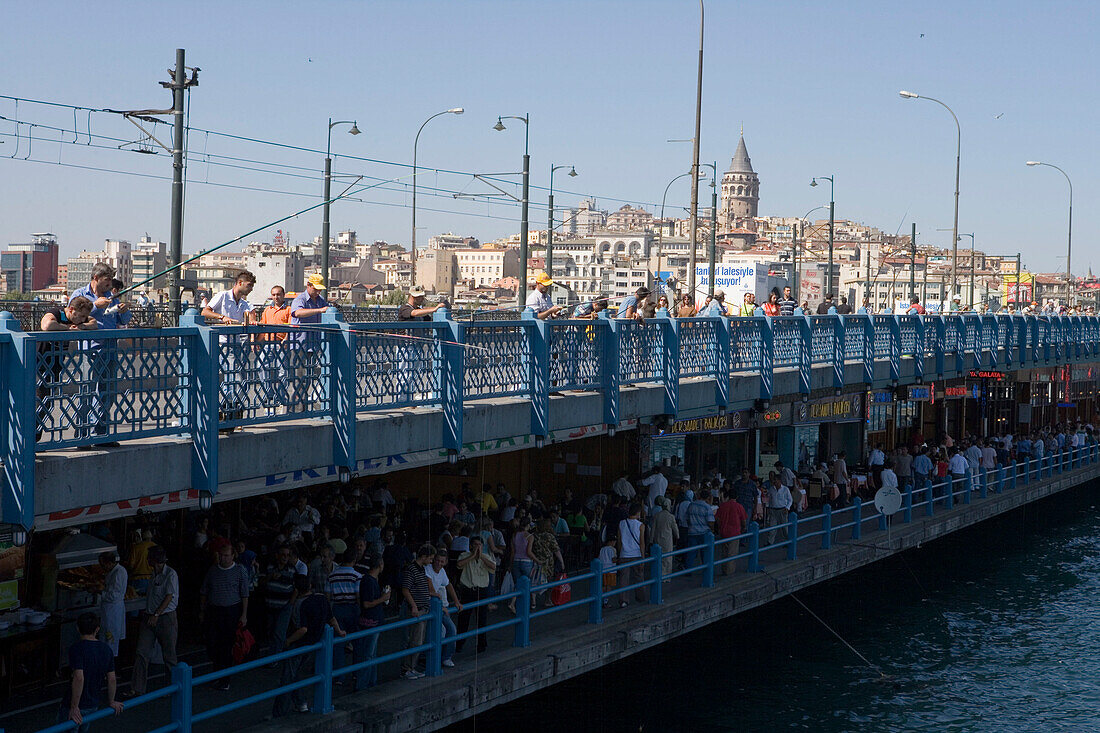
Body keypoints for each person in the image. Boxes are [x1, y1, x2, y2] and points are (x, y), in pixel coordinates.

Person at [69, 263, 131, 444]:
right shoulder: (80, 295)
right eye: (107, 279)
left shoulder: (111, 296)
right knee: (86, 392)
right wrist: (95, 306)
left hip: (109, 349)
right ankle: (82, 435)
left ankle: (101, 433)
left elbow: (123, 320)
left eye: (111, 279)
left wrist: (124, 311)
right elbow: (72, 316)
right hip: (90, 350)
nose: (110, 283)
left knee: (107, 392)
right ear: (96, 278)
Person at [273, 574, 345, 716]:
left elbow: (303, 629)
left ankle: (280, 712)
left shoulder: (300, 604)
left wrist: (289, 641)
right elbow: (332, 619)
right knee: (295, 673)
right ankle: (301, 703)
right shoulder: (322, 599)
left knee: (288, 676)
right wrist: (340, 631)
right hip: (315, 643)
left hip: (299, 644)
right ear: (310, 586)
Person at [36, 296, 98, 441]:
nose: (83, 319)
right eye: (81, 316)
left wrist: (83, 326)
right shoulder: (57, 313)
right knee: (38, 402)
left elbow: (94, 324)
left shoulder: (78, 320)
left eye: (84, 316)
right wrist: (68, 328)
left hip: (55, 366)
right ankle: (29, 439)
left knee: (46, 402)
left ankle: (35, 438)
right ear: (71, 309)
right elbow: (47, 325)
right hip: (39, 363)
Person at [126, 547, 178, 699]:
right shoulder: (154, 574)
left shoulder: (170, 574)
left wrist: (157, 613)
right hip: (150, 615)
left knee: (169, 655)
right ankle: (137, 688)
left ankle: (172, 687)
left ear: (153, 560)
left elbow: (169, 596)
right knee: (141, 652)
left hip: (165, 617)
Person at [60, 613, 124, 732]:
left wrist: (74, 707)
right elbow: (111, 679)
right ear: (97, 629)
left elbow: (79, 677)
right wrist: (112, 700)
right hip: (92, 703)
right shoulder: (106, 650)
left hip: (74, 703)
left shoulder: (76, 649)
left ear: (78, 628)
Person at [199, 543, 250, 690]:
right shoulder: (213, 571)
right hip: (214, 610)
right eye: (221, 555)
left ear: (233, 555)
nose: (223, 558)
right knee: (213, 643)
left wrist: (244, 614)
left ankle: (225, 679)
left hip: (231, 610)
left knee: (227, 645)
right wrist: (202, 610)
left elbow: (245, 593)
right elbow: (204, 591)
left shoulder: (240, 570)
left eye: (226, 555)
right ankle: (216, 674)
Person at [326, 548, 367, 690]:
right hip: (352, 609)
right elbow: (358, 595)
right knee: (358, 641)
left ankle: (338, 676)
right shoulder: (357, 576)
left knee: (338, 643)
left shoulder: (332, 575)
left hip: (337, 608)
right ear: (354, 560)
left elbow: (328, 596)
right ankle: (357, 673)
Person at [289, 274, 331, 404]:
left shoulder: (320, 300)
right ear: (308, 286)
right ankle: (296, 404)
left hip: (314, 343)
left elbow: (326, 311)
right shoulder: (300, 299)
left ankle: (301, 403)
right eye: (316, 289)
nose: (318, 292)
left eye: (320, 289)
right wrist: (319, 311)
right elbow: (297, 313)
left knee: (308, 376)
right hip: (300, 343)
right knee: (300, 376)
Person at [399, 544, 435, 680]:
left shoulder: (420, 569)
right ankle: (407, 669)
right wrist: (413, 606)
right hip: (417, 610)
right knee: (415, 641)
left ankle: (410, 667)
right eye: (430, 558)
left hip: (422, 608)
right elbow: (405, 589)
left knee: (417, 640)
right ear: (424, 557)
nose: (431, 561)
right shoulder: (412, 570)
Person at [455, 536, 496, 653]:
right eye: (475, 544)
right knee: (464, 619)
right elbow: (459, 564)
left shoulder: (486, 557)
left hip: (481, 590)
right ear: (471, 546)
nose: (477, 547)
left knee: (482, 618)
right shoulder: (464, 555)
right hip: (468, 590)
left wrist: (481, 556)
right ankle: (459, 644)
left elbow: (493, 567)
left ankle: (482, 644)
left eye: (480, 545)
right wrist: (472, 556)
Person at [426, 548, 463, 667]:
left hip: (438, 605)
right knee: (444, 631)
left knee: (450, 630)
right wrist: (442, 606)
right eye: (437, 560)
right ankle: (436, 659)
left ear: (445, 562)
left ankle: (446, 657)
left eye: (442, 561)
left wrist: (457, 602)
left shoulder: (442, 571)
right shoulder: (428, 569)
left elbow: (449, 585)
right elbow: (431, 590)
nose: (439, 563)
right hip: (432, 605)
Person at [258, 285, 292, 413]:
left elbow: (291, 326)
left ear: (283, 295)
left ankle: (281, 399)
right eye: (273, 295)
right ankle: (269, 395)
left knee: (282, 372)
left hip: (281, 344)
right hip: (268, 343)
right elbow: (263, 326)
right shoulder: (267, 310)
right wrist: (257, 342)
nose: (276, 297)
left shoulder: (288, 309)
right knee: (261, 366)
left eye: (278, 294)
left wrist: (286, 339)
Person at [357, 554, 389, 687]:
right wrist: (383, 598)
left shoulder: (369, 580)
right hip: (372, 622)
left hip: (371, 621)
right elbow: (367, 603)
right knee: (369, 654)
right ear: (380, 565)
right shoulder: (369, 581)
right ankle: (363, 684)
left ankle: (371, 681)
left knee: (371, 654)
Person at [263, 544, 298, 656]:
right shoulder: (270, 567)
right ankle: (275, 652)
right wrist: (270, 576)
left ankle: (275, 657)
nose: (285, 557)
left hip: (284, 606)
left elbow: (297, 587)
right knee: (271, 631)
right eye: (283, 554)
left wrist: (290, 603)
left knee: (279, 633)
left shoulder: (292, 569)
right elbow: (261, 582)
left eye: (288, 555)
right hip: (270, 605)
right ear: (277, 555)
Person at [616, 503, 647, 608]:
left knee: (624, 579)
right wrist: (643, 558)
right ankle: (640, 597)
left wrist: (620, 554)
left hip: (624, 554)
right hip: (636, 554)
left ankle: (623, 600)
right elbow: (642, 543)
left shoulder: (621, 523)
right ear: (638, 513)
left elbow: (619, 541)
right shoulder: (641, 526)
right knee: (639, 577)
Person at [97, 553, 127, 657]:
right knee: (105, 637)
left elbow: (115, 595)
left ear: (110, 563)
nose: (102, 567)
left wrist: (101, 591)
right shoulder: (112, 572)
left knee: (111, 639)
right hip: (107, 610)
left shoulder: (119, 573)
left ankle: (109, 664)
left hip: (113, 610)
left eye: (103, 564)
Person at [714, 488, 747, 576]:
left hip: (724, 531)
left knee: (724, 552)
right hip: (735, 532)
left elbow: (717, 518)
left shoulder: (723, 506)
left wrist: (720, 526)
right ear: (737, 496)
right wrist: (743, 528)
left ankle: (724, 570)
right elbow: (743, 521)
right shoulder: (739, 506)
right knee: (732, 553)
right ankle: (729, 572)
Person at [649, 495, 679, 577]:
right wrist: (677, 536)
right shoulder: (671, 517)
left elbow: (653, 529)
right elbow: (675, 529)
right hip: (667, 540)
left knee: (659, 558)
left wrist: (651, 540)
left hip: (657, 539)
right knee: (668, 558)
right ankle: (666, 576)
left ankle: (659, 574)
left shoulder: (657, 515)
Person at [764, 472, 793, 544]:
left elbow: (790, 500)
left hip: (782, 509)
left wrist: (787, 507)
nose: (774, 481)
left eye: (775, 480)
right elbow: (769, 498)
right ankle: (770, 542)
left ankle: (787, 541)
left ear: (779, 481)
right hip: (773, 510)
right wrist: (768, 507)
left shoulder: (785, 489)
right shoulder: (771, 489)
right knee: (772, 527)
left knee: (784, 528)